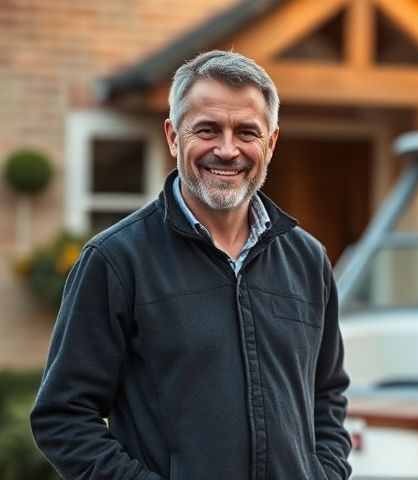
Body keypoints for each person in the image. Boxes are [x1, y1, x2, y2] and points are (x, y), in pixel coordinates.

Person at [30, 50, 351, 480]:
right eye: (207, 129)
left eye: (246, 132)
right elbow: (63, 417)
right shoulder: (116, 261)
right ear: (173, 136)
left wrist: (325, 473)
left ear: (271, 143)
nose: (226, 149)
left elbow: (325, 395)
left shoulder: (308, 260)